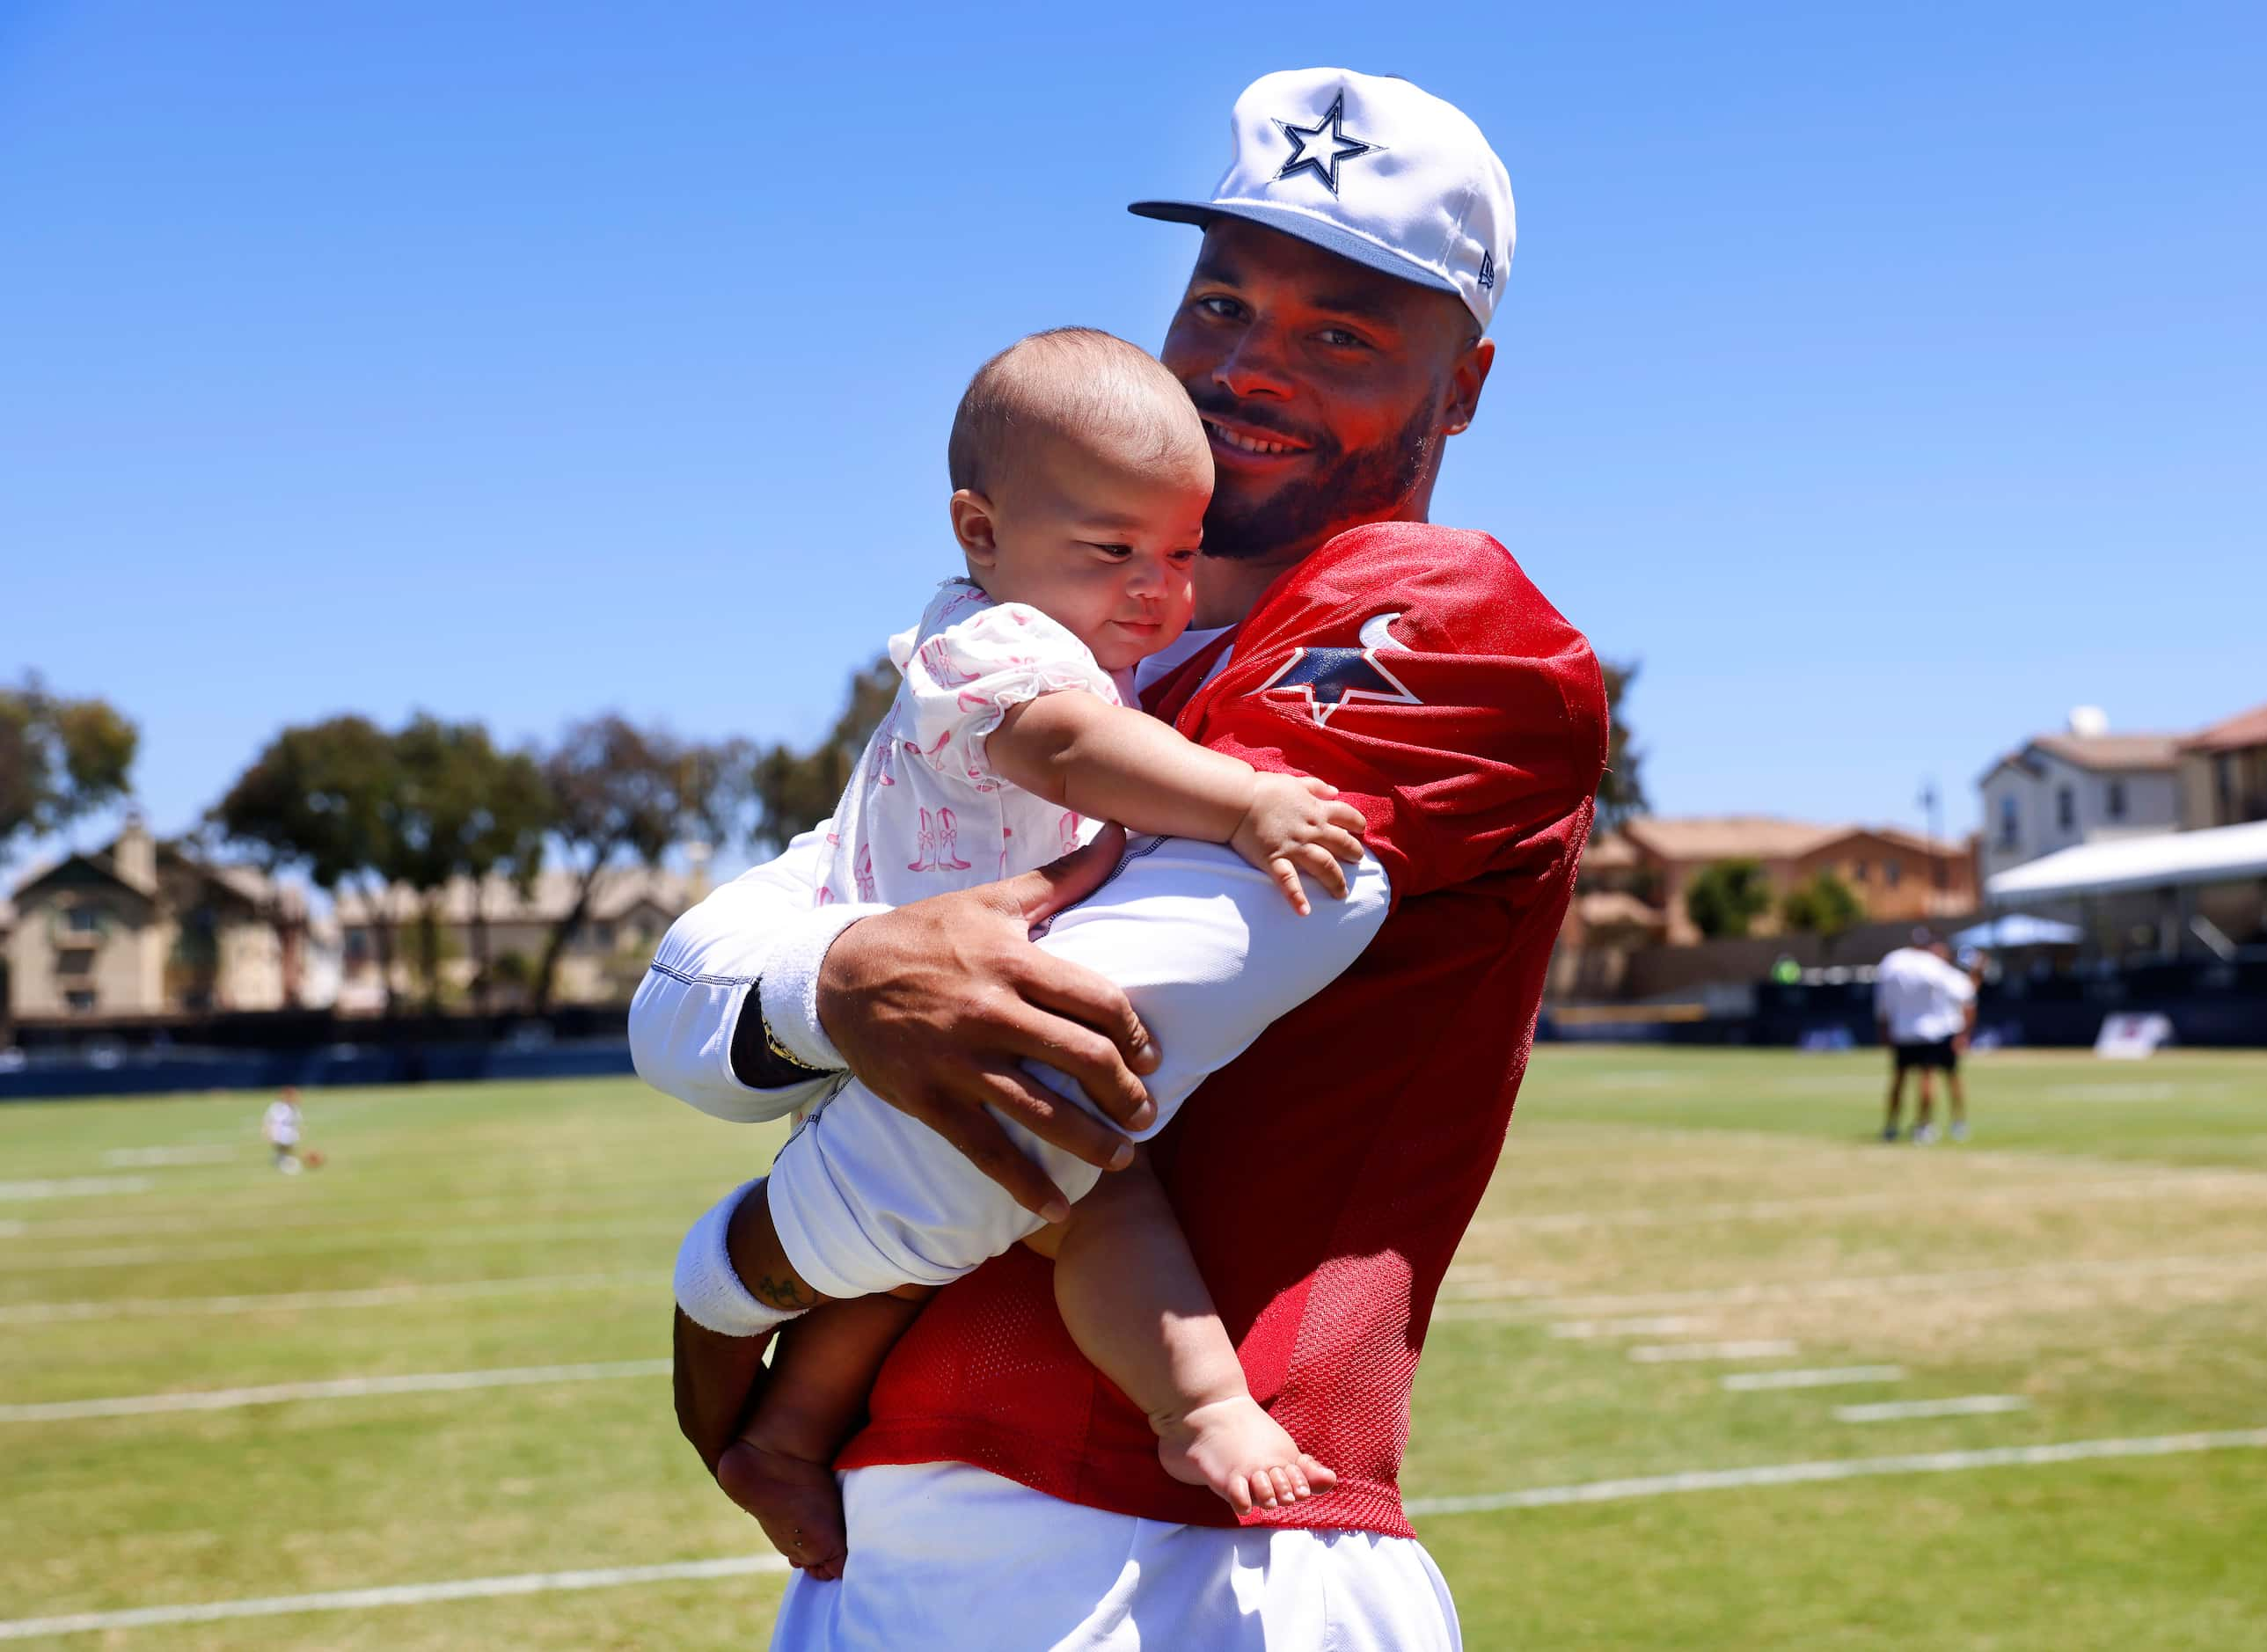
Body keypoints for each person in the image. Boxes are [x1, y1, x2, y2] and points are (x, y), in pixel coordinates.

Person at [633, 67, 1605, 1650]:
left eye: (1341, 330)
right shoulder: (1072, 660)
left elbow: (1044, 1062)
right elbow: (696, 995)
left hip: (1182, 1554)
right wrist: (845, 976)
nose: (1244, 368)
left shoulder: (1434, 617)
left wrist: (720, 1283)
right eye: (1220, 300)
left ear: (1467, 385)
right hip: (900, 1544)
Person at [685, 325, 1369, 1571]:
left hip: (923, 1030)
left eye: (1180, 552)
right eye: (1112, 551)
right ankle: (1202, 1405)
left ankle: (782, 1432)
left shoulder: (1046, 632)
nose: (1157, 589)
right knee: (1107, 1197)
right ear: (979, 531)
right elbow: (1062, 749)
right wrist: (1239, 801)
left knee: (907, 1272)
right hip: (936, 1016)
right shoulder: (1003, 651)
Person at [1873, 935, 1981, 1143]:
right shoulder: (1935, 966)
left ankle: (1891, 1126)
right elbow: (1966, 993)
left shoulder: (1893, 962)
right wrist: (1976, 973)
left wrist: (1884, 1029)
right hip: (1934, 1033)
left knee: (1899, 1079)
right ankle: (1928, 1125)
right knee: (1930, 1078)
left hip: (1903, 1032)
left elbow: (1883, 1004)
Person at [260, 1086, 303, 1173]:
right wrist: (267, 1131)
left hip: (289, 1130)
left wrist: (299, 1131)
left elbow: (297, 1121)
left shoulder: (294, 1108)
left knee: (288, 1148)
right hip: (280, 1130)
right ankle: (283, 1161)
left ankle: (282, 1160)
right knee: (283, 1147)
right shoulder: (277, 1107)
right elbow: (269, 1119)